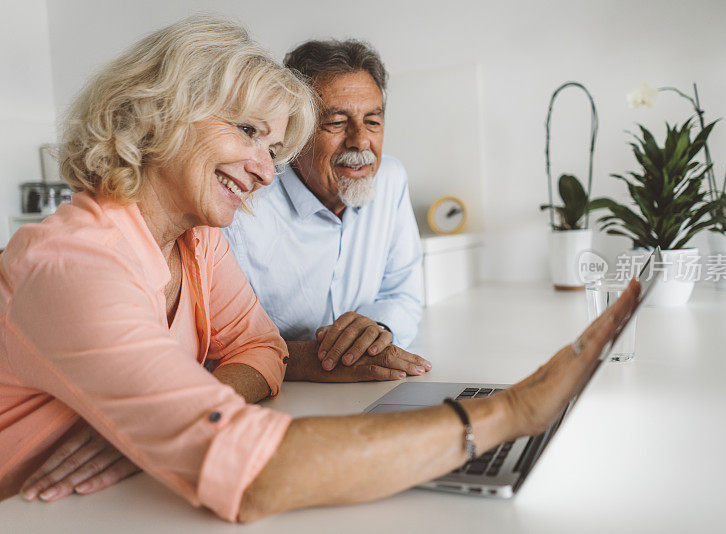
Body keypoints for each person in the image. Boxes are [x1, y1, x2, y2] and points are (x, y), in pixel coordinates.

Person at [0, 16, 640, 523]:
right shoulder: (75, 264)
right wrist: (511, 412)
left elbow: (261, 346)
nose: (261, 167)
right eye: (248, 131)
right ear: (160, 114)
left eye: (272, 147)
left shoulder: (196, 238)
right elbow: (253, 476)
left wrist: (171, 420)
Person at [223, 39, 423, 375]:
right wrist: (316, 359)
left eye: (372, 121)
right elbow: (221, 340)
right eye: (337, 122)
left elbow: (403, 294)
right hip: (279, 395)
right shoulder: (243, 199)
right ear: (293, 130)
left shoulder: (390, 179)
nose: (360, 140)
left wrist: (375, 332)